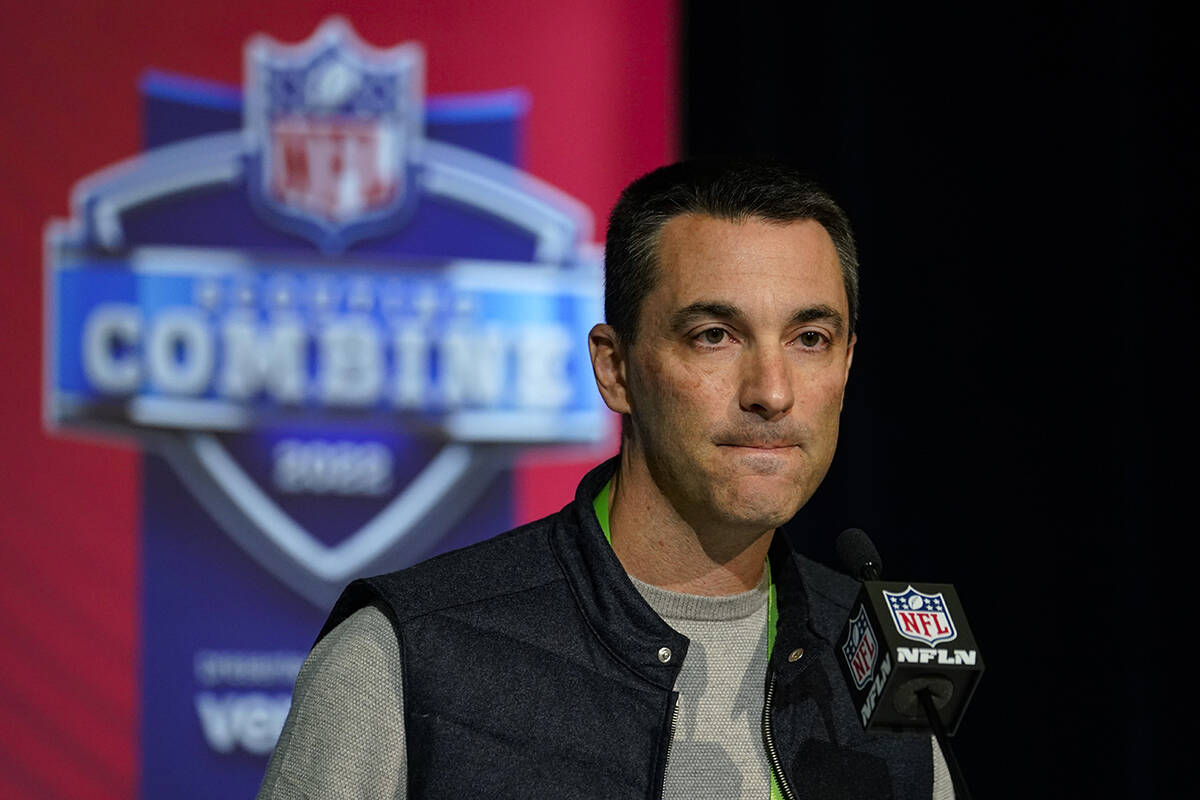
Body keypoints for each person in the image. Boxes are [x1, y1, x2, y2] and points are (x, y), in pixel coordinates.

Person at [257, 158, 953, 799]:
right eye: (714, 334)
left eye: (810, 340)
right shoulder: (406, 658)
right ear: (615, 368)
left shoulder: (885, 668)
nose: (771, 391)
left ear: (848, 365)